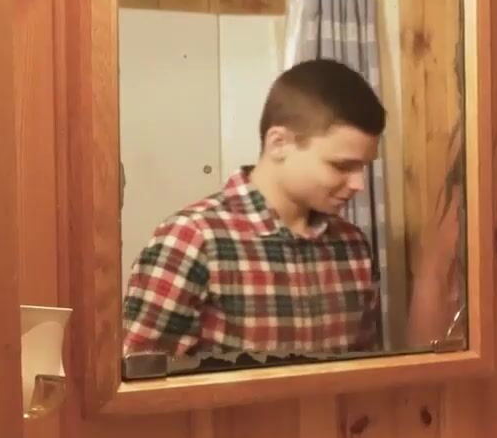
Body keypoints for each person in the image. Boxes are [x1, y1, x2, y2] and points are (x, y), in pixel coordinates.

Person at [123, 58, 386, 360]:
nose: (358, 184)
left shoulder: (352, 245)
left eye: (363, 167)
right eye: (341, 166)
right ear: (279, 143)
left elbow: (362, 370)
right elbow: (141, 379)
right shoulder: (192, 240)